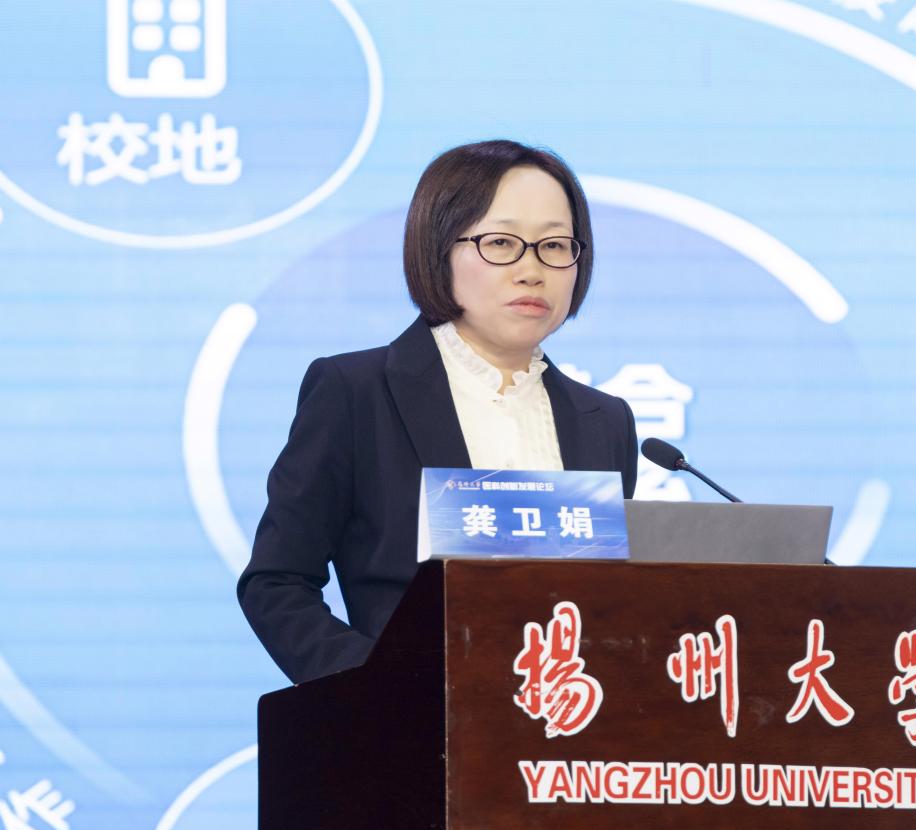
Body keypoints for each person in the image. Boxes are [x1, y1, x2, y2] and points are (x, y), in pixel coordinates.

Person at [237, 140, 638, 684]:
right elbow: (277, 582)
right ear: (438, 249)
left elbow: (609, 601)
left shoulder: (605, 421)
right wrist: (378, 687)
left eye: (554, 245)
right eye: (501, 243)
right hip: (408, 724)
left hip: (568, 723)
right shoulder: (356, 393)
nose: (531, 270)